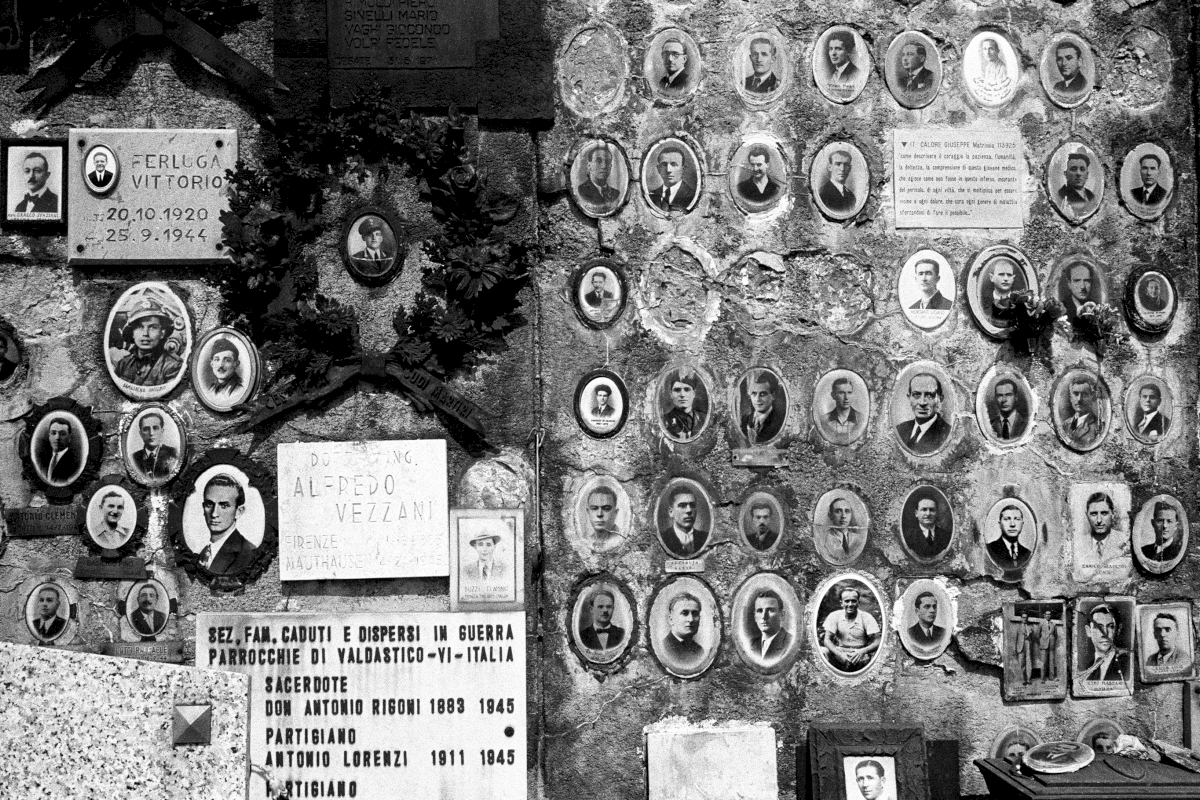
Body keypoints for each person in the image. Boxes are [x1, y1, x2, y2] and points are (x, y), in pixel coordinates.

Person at [114, 296, 183, 387]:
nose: (145, 333)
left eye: (153, 327)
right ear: (132, 333)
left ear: (162, 333)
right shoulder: (123, 364)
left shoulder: (173, 366)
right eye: (139, 327)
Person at [197, 474, 257, 576]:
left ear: (239, 511)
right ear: (203, 508)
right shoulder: (204, 553)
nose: (214, 513)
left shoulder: (248, 554)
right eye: (209, 504)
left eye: (224, 506)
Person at [821, 586, 880, 672]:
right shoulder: (834, 616)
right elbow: (827, 640)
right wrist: (840, 654)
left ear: (858, 602)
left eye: (853, 601)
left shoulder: (866, 617)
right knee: (823, 651)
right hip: (840, 652)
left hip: (860, 654)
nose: (850, 604)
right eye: (847, 601)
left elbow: (877, 641)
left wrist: (863, 651)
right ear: (841, 603)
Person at [894, 372, 951, 455]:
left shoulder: (945, 433)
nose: (922, 402)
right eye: (916, 395)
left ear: (940, 399)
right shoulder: (900, 429)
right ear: (909, 398)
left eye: (929, 395)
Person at [1079, 603, 1131, 683]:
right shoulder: (1086, 668)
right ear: (1088, 631)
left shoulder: (1128, 664)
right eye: (1098, 627)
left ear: (1118, 630)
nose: (1105, 633)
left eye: (1111, 626)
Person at [659, 485, 708, 557]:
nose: (689, 510)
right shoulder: (663, 539)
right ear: (671, 512)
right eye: (682, 505)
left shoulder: (705, 538)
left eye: (692, 505)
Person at [902, 492, 952, 559]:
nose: (928, 514)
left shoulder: (947, 536)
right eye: (924, 509)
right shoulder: (908, 537)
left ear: (937, 513)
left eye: (932, 510)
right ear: (916, 513)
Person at [740, 369, 784, 444]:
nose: (757, 399)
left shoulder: (780, 421)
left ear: (773, 396)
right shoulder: (744, 420)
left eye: (763, 394)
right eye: (754, 394)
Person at [131, 411, 179, 479]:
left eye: (155, 428)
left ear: (162, 431)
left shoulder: (174, 454)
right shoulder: (134, 458)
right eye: (146, 429)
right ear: (140, 433)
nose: (151, 433)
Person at [649, 145, 696, 213]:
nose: (668, 170)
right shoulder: (651, 195)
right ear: (658, 169)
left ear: (683, 169)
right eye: (664, 165)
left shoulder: (692, 196)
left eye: (674, 164)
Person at [660, 592, 704, 663]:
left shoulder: (700, 650)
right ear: (671, 619)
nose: (691, 619)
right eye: (684, 613)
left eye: (695, 614)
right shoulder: (663, 648)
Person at [986, 503, 1033, 570]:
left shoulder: (1027, 553)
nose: (1012, 524)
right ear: (1000, 524)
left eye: (1017, 519)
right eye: (1007, 519)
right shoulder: (991, 549)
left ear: (1022, 524)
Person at [749, 589, 791, 661]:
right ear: (755, 617)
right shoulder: (751, 644)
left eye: (771, 610)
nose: (764, 617)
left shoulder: (789, 643)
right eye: (760, 611)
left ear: (781, 615)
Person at [1061, 374, 1102, 448]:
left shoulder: (1098, 426)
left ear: (1092, 397)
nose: (1079, 399)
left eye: (1085, 394)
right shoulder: (1065, 425)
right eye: (1076, 394)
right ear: (1070, 397)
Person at [662, 369, 705, 440]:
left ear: (693, 394)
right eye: (677, 390)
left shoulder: (704, 419)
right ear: (671, 394)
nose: (682, 395)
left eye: (687, 389)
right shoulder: (664, 421)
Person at [980, 256, 1022, 327]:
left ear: (1013, 278)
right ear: (991, 277)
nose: (1006, 278)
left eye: (1009, 275)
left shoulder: (1020, 302)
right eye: (1001, 274)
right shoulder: (983, 302)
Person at [821, 496, 864, 563]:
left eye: (847, 511)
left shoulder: (859, 539)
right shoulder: (823, 539)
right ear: (830, 515)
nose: (843, 516)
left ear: (851, 515)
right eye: (838, 511)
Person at [39, 415, 79, 486]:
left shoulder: (75, 462)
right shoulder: (42, 459)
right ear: (49, 436)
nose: (57, 437)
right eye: (53, 433)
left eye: (62, 434)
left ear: (69, 438)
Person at [1056, 152, 1096, 219]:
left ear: (1087, 174)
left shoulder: (1091, 196)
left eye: (1082, 169)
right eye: (1073, 169)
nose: (1078, 173)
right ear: (1066, 174)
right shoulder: (1061, 195)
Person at [583, 485, 623, 552]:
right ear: (588, 512)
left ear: (615, 513)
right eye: (594, 509)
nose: (599, 514)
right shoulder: (587, 541)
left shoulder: (621, 539)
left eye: (606, 509)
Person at [205, 338, 245, 402]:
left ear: (236, 364)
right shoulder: (210, 390)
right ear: (212, 364)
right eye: (217, 360)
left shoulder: (240, 390)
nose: (220, 365)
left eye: (227, 360)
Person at [824, 375, 861, 443]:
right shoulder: (824, 420)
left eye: (849, 393)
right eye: (841, 393)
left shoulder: (861, 419)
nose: (846, 397)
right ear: (833, 395)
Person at [818, 149, 857, 214]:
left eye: (846, 165)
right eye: (838, 164)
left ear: (850, 168)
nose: (842, 169)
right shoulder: (822, 194)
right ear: (830, 167)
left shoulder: (851, 196)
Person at [1014, 609, 1035, 684]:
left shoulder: (1030, 627)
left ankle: (1029, 679)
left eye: (1026, 617)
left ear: (1027, 618)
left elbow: (1033, 638)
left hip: (1028, 645)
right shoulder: (1018, 627)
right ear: (1021, 618)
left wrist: (1030, 637)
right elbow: (1015, 638)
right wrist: (1015, 649)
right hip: (1020, 646)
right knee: (1021, 663)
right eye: (1023, 617)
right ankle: (1023, 680)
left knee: (1029, 662)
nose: (1024, 619)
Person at [1037, 610, 1059, 681]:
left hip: (1051, 645)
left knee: (1051, 662)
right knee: (1043, 662)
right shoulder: (1041, 623)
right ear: (1044, 615)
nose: (1048, 616)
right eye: (1046, 614)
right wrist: (1041, 643)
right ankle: (1042, 678)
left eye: (1049, 614)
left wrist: (1052, 642)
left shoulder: (1053, 624)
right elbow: (1037, 635)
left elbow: (1056, 635)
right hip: (1043, 645)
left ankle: (1051, 677)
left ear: (1051, 615)